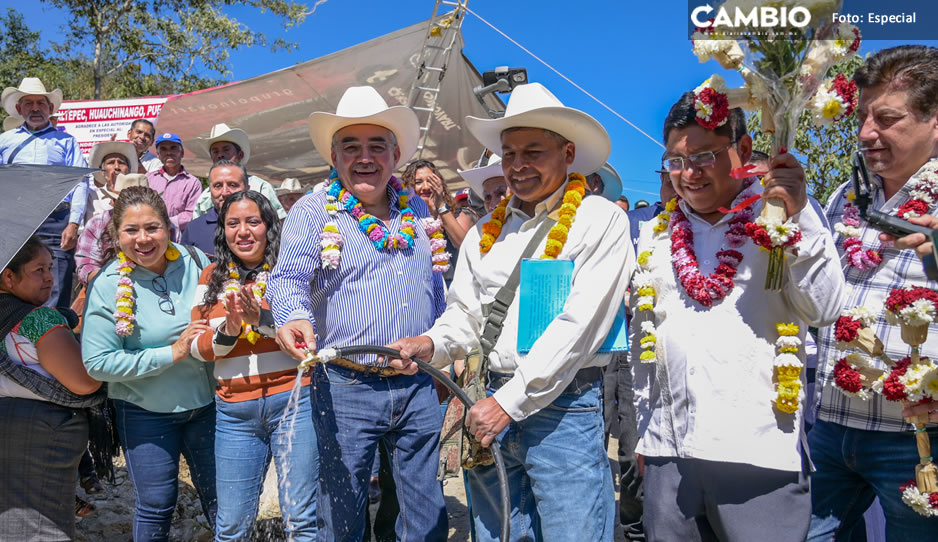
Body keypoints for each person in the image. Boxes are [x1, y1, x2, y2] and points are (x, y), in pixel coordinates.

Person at [390, 82, 633, 542]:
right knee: (499, 535)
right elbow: (465, 314)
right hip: (489, 401)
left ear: (567, 153)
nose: (517, 165)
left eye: (533, 151)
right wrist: (430, 344)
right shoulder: (487, 229)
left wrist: (507, 403)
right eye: (509, 153)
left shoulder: (600, 219)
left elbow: (579, 328)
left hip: (564, 409)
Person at [629, 89, 845, 541]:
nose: (688, 174)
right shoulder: (655, 232)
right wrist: (645, 434)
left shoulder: (781, 219)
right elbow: (644, 341)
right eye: (674, 161)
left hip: (757, 456)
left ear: (743, 151)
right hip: (669, 456)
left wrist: (798, 213)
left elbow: (824, 309)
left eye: (704, 156)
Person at [267, 85, 448, 541]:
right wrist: (291, 316)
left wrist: (447, 352)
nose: (364, 157)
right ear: (334, 154)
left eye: (376, 146)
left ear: (396, 153)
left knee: (424, 509)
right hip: (347, 384)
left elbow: (434, 285)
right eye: (351, 146)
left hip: (417, 380)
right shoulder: (313, 210)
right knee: (342, 510)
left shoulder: (419, 209)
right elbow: (287, 280)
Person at [809, 45, 938, 540]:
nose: (866, 133)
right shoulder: (848, 195)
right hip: (832, 426)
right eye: (863, 117)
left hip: (917, 438)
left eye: (886, 118)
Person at [81, 186, 217, 541]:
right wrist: (170, 353)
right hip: (144, 413)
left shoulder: (196, 262)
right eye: (131, 230)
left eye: (152, 227)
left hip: (207, 408)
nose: (143, 239)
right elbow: (97, 363)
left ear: (169, 227)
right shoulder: (108, 284)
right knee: (157, 505)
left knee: (222, 502)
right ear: (115, 234)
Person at [190, 190, 318, 541]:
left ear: (269, 226)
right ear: (223, 231)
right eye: (233, 223)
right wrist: (229, 331)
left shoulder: (288, 272)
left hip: (295, 403)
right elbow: (199, 349)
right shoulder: (210, 277)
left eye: (253, 222)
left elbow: (309, 338)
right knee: (231, 525)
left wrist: (260, 319)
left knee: (301, 520)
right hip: (234, 413)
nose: (243, 231)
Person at [0, 236, 104, 540]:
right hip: (43, 433)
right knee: (45, 526)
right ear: (9, 276)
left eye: (50, 267)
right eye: (38, 270)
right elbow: (84, 383)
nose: (50, 278)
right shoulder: (38, 319)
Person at [0, 77, 89, 308]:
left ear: (50, 109)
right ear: (19, 109)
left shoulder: (66, 141)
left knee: (55, 280)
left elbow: (80, 181)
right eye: (28, 103)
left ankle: (55, 336)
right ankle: (16, 336)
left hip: (56, 219)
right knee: (14, 277)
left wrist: (73, 224)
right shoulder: (5, 141)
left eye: (41, 103)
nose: (36, 108)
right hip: (16, 221)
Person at [403, 159, 477, 284]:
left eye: (431, 181)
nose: (426, 187)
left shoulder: (455, 213)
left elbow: (462, 243)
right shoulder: (403, 219)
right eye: (418, 182)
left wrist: (439, 206)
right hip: (416, 284)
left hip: (452, 284)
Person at [190, 123, 287, 219]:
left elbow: (277, 223)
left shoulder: (261, 188)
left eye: (226, 150)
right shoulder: (204, 197)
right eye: (215, 151)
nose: (220, 155)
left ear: (240, 155)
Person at [75, 173, 150, 286]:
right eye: (124, 203)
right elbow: (86, 265)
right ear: (112, 202)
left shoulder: (162, 225)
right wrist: (110, 285)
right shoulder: (97, 224)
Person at [181, 160, 248, 259]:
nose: (225, 192)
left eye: (233, 185)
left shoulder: (262, 226)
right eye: (218, 186)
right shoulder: (194, 229)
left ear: (247, 188)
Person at [146, 132, 203, 238]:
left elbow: (192, 214)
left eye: (173, 148)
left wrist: (164, 222)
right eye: (163, 149)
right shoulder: (148, 179)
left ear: (182, 153)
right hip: (151, 236)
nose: (169, 152)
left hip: (180, 240)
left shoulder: (192, 183)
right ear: (158, 155)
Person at [86, 141, 139, 217]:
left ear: (129, 170)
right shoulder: (93, 198)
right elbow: (91, 227)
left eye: (121, 163)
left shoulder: (138, 196)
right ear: (102, 171)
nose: (117, 167)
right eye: (111, 163)